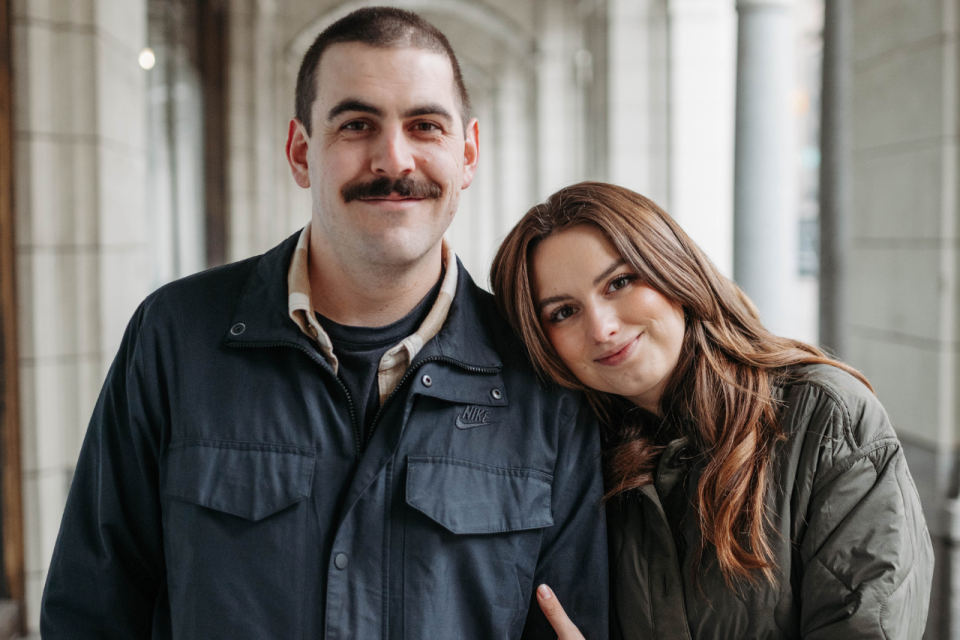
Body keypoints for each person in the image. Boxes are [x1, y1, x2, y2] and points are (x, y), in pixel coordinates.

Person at [40, 9, 608, 639]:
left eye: (424, 125)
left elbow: (577, 621)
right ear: (301, 152)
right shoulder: (176, 338)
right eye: (357, 124)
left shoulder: (538, 372)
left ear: (467, 153)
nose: (394, 158)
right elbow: (91, 611)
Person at [491, 181, 934, 639]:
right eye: (563, 312)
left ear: (672, 269)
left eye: (620, 282)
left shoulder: (825, 418)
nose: (602, 328)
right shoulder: (581, 458)